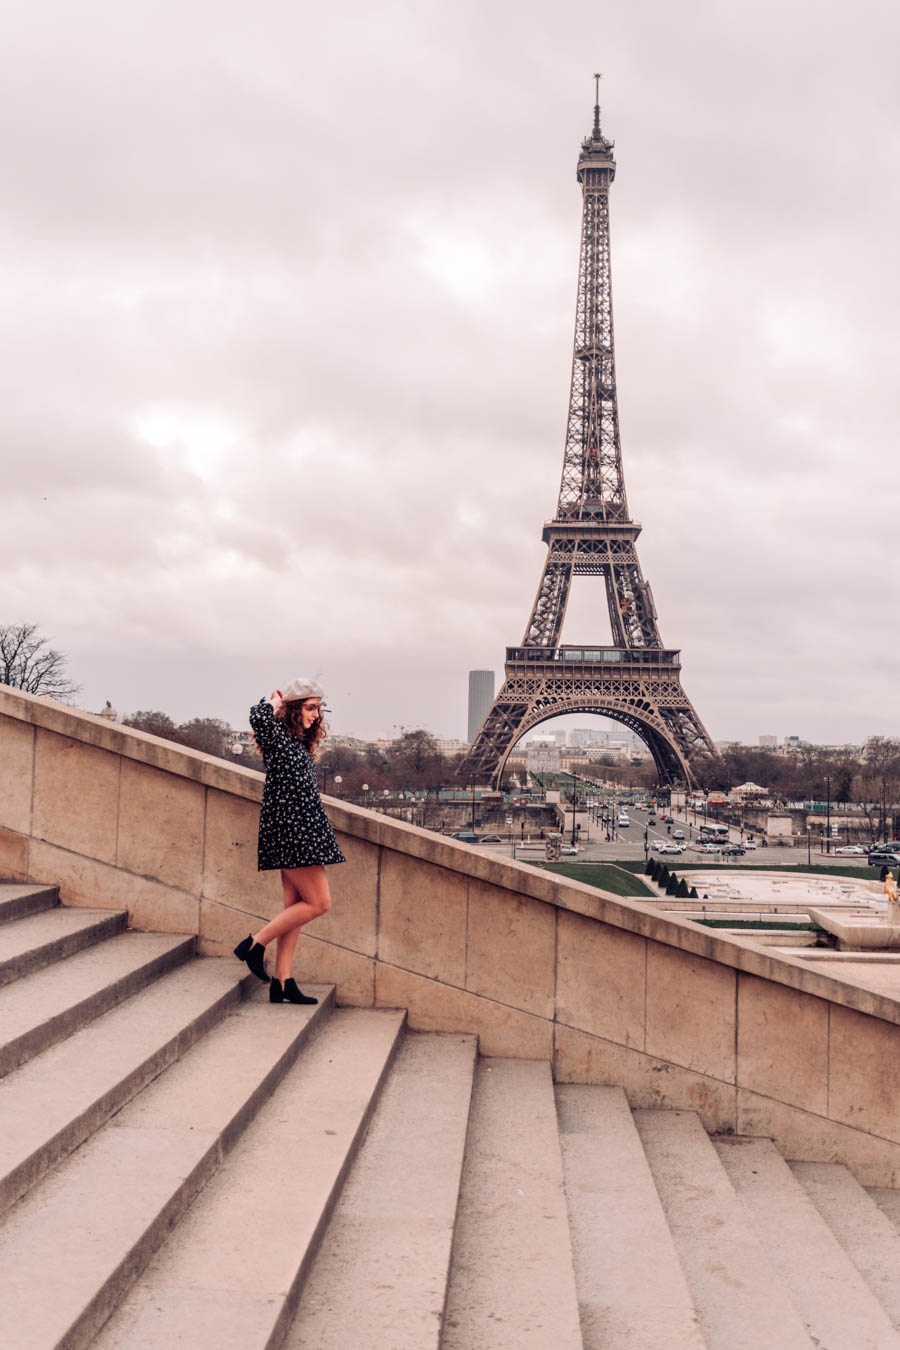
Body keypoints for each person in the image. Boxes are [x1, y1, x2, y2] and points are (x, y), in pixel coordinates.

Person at [233, 678, 345, 1004]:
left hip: (303, 831)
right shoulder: (278, 739)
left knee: (295, 906)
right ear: (294, 709)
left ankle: (282, 981)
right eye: (310, 708)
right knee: (319, 903)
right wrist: (276, 700)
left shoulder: (297, 745)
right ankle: (254, 944)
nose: (316, 715)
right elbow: (258, 715)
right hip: (292, 834)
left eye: (319, 709)